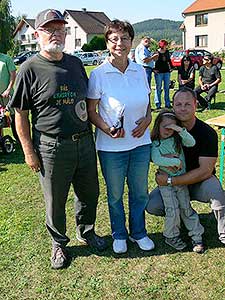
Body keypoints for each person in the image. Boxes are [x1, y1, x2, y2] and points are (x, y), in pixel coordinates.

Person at [10, 9, 107, 270]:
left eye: (61, 29)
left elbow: (88, 102)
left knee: (89, 193)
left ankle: (86, 232)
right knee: (55, 199)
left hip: (84, 142)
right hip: (51, 146)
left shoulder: (75, 64)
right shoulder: (29, 69)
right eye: (50, 29)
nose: (56, 34)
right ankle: (59, 244)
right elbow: (20, 114)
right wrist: (28, 152)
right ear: (37, 33)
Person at [87, 20, 154, 254]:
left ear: (131, 41)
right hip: (111, 147)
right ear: (107, 43)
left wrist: (148, 120)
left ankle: (138, 233)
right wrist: (108, 129)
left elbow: (148, 105)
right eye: (114, 39)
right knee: (115, 194)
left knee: (139, 192)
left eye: (124, 38)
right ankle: (119, 234)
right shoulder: (98, 74)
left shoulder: (140, 71)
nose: (120, 43)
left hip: (140, 145)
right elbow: (91, 111)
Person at [146, 87, 225, 246]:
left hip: (199, 181)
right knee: (152, 205)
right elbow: (152, 150)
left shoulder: (207, 133)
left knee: (218, 196)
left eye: (187, 104)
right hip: (173, 181)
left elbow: (205, 171)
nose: (182, 108)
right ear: (173, 106)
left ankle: (223, 234)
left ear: (196, 105)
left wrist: (169, 181)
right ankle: (180, 217)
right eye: (178, 104)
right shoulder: (166, 128)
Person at [151, 109, 204, 253]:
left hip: (180, 182)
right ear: (158, 126)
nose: (168, 130)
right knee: (172, 210)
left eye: (172, 127)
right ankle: (171, 236)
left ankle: (196, 235)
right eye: (165, 127)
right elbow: (156, 159)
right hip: (165, 185)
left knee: (186, 208)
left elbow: (191, 142)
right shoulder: (155, 144)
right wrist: (175, 161)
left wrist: (179, 130)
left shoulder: (177, 139)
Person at [0, 52, 18, 140]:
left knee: (14, 117)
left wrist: (8, 89)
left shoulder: (6, 59)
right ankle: (2, 139)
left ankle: (18, 137)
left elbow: (13, 75)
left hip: (8, 95)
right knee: (1, 119)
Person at [154, 39, 172, 109]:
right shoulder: (156, 52)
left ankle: (167, 103)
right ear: (162, 45)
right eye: (165, 45)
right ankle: (158, 104)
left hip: (166, 71)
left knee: (167, 88)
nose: (166, 46)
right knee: (158, 88)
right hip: (159, 72)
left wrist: (172, 67)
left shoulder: (167, 52)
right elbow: (153, 62)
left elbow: (169, 60)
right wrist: (154, 69)